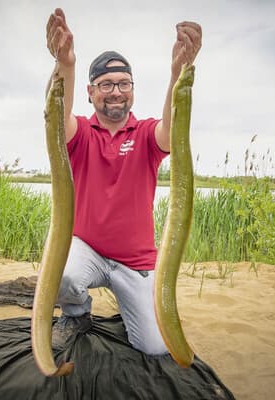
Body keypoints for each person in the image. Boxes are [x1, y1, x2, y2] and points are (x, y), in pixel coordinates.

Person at [45, 8, 202, 355]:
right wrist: (66, 64)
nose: (115, 92)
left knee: (156, 348)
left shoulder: (146, 133)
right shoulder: (82, 133)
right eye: (106, 85)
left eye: (123, 84)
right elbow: (58, 116)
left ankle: (132, 306)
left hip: (136, 262)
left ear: (132, 89)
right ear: (91, 91)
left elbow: (171, 129)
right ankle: (76, 313)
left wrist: (178, 71)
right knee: (63, 274)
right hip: (86, 250)